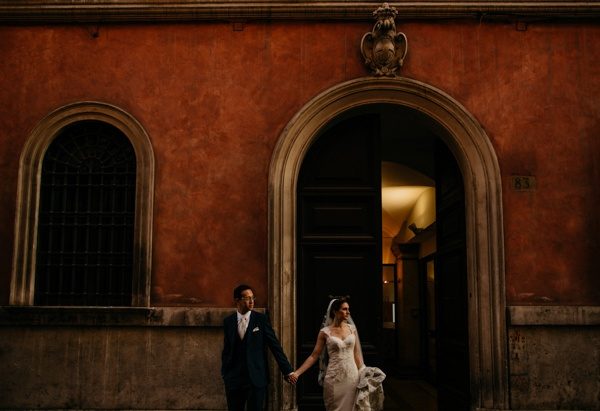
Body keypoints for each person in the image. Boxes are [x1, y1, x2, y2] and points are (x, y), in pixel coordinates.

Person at [289, 297, 385, 411]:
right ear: (335, 311)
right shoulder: (325, 332)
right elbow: (314, 355)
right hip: (334, 377)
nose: (348, 312)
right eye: (344, 309)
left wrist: (363, 374)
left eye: (348, 309)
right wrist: (297, 373)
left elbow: (357, 355)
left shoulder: (352, 329)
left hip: (352, 378)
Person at [221, 284, 298, 411]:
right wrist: (225, 373)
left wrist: (287, 371)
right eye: (247, 298)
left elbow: (275, 346)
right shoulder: (228, 322)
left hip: (256, 378)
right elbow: (227, 350)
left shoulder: (261, 320)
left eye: (253, 298)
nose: (252, 301)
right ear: (237, 300)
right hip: (234, 379)